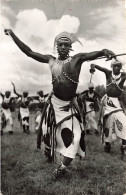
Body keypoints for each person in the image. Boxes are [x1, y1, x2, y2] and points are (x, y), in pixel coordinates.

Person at [4, 29, 115, 178]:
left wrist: (104, 51)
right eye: (60, 44)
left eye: (65, 45)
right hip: (54, 105)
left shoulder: (77, 59)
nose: (62, 47)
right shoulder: (51, 60)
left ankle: (62, 168)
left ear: (70, 47)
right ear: (57, 46)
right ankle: (49, 149)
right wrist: (12, 34)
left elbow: (95, 53)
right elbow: (29, 52)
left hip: (70, 105)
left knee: (75, 137)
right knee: (47, 131)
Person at [90, 59, 126, 156]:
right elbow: (99, 67)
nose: (117, 68)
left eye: (118, 66)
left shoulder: (123, 75)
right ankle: (107, 145)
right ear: (112, 67)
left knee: (123, 121)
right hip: (107, 102)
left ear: (120, 67)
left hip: (117, 103)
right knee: (107, 125)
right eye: (115, 66)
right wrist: (94, 65)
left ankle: (124, 145)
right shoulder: (108, 73)